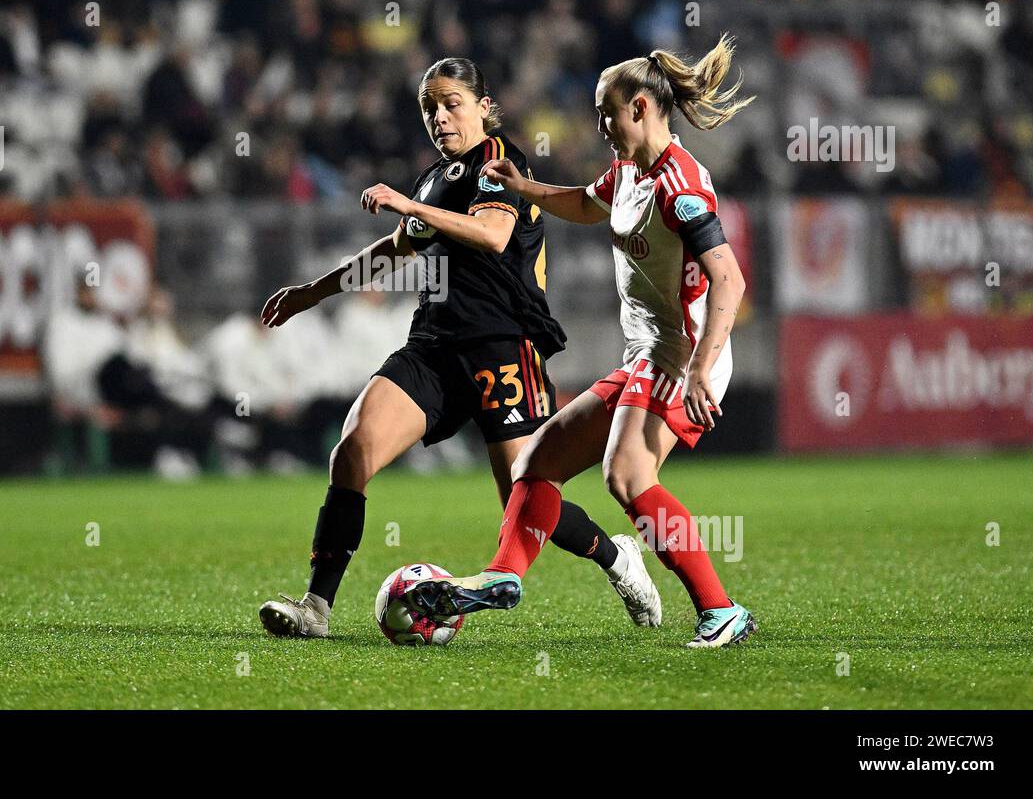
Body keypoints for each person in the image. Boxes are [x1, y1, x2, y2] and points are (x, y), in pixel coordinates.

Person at [257, 57, 641, 638]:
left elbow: (493, 234)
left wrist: (410, 207)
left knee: (524, 497)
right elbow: (394, 249)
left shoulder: (499, 164)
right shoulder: (435, 179)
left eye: (450, 103)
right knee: (353, 451)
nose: (438, 117)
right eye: (428, 108)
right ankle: (316, 608)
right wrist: (314, 292)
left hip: (504, 348)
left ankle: (616, 558)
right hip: (434, 346)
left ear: (485, 107)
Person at [407, 36, 758, 648]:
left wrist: (702, 369)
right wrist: (526, 187)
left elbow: (729, 276)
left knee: (626, 476)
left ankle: (720, 609)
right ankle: (501, 578)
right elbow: (589, 204)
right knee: (535, 461)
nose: (600, 126)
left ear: (642, 109)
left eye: (606, 114)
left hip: (684, 356)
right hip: (648, 355)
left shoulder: (679, 186)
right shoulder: (629, 171)